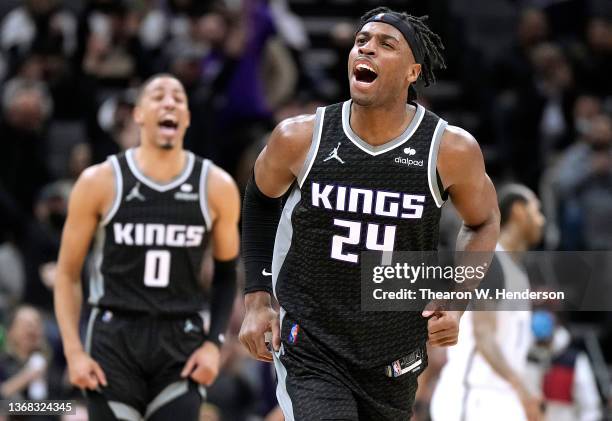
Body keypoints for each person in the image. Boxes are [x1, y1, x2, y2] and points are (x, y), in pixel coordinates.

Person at [239, 7, 500, 420]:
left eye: (385, 44)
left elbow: (484, 220)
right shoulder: (301, 137)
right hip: (312, 345)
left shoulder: (450, 149)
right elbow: (259, 198)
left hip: (394, 353)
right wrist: (256, 299)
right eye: (362, 41)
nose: (367, 49)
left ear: (413, 72)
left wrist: (457, 298)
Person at [54, 74, 240, 421]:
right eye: (158, 96)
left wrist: (214, 344)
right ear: (138, 114)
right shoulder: (99, 181)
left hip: (180, 339)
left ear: (185, 118)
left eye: (178, 98)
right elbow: (66, 275)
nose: (169, 102)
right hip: (113, 338)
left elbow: (227, 276)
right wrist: (74, 351)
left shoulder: (216, 186)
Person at [431, 184, 545, 421]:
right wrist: (523, 390)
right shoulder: (492, 263)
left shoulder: (517, 272)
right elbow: (484, 336)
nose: (542, 221)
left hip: (502, 397)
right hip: (475, 398)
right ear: (519, 212)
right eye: (537, 211)